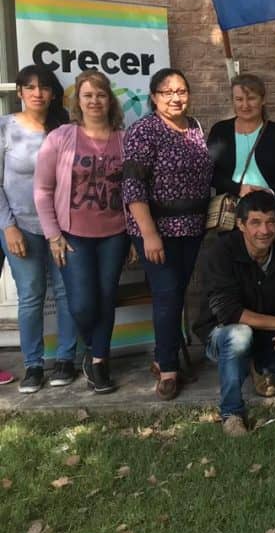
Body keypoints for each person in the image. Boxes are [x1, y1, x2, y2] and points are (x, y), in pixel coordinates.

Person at [195, 191, 275, 437]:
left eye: (270, 222)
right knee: (240, 335)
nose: (264, 230)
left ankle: (258, 364)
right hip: (221, 333)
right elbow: (230, 312)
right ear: (241, 224)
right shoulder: (221, 253)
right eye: (255, 222)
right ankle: (232, 414)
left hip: (266, 334)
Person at [34, 70, 128, 394]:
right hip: (72, 234)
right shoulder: (60, 137)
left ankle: (99, 361)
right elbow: (42, 190)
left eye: (101, 95)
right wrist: (53, 235)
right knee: (83, 305)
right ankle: (92, 347)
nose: (94, 101)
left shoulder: (123, 139)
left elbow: (133, 190)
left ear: (109, 100)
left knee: (107, 298)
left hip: (115, 233)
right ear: (78, 101)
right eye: (88, 95)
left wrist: (133, 234)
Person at [123, 67, 213, 400]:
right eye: (167, 92)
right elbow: (132, 186)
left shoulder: (195, 127)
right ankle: (168, 370)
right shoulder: (144, 130)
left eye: (181, 91)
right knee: (166, 294)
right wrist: (149, 234)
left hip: (192, 227)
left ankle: (164, 357)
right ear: (153, 97)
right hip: (157, 230)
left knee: (176, 294)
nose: (175, 98)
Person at [1, 65, 77, 393]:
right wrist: (8, 226)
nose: (37, 93)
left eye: (44, 87)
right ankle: (33, 364)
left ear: (53, 93)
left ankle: (66, 359)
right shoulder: (5, 127)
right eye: (30, 87)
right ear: (19, 91)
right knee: (31, 295)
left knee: (66, 292)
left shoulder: (65, 130)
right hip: (22, 226)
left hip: (61, 227)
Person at [207, 73, 275, 199]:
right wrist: (237, 189)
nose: (245, 105)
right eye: (239, 99)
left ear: (263, 99)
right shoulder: (220, 131)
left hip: (268, 206)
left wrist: (271, 191)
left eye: (251, 98)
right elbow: (209, 172)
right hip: (229, 207)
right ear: (232, 100)